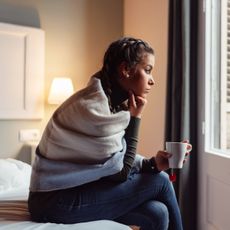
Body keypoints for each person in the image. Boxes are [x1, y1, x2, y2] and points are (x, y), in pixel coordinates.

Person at [28, 37, 191, 230]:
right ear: (126, 69)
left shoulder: (107, 104)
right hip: (53, 201)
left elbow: (109, 160)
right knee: (161, 181)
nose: (152, 80)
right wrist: (135, 118)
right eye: (147, 70)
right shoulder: (92, 108)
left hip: (72, 191)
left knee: (158, 213)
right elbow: (119, 173)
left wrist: (152, 164)